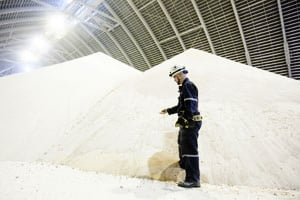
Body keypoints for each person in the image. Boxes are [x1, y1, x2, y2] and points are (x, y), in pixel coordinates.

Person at [160, 65, 202, 188]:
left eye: (174, 77)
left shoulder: (188, 86)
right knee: (182, 145)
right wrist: (168, 110)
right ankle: (184, 164)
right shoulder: (184, 87)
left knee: (190, 151)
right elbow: (181, 106)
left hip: (191, 122)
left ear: (178, 75)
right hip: (187, 122)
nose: (174, 80)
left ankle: (193, 180)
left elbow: (191, 106)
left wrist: (188, 120)